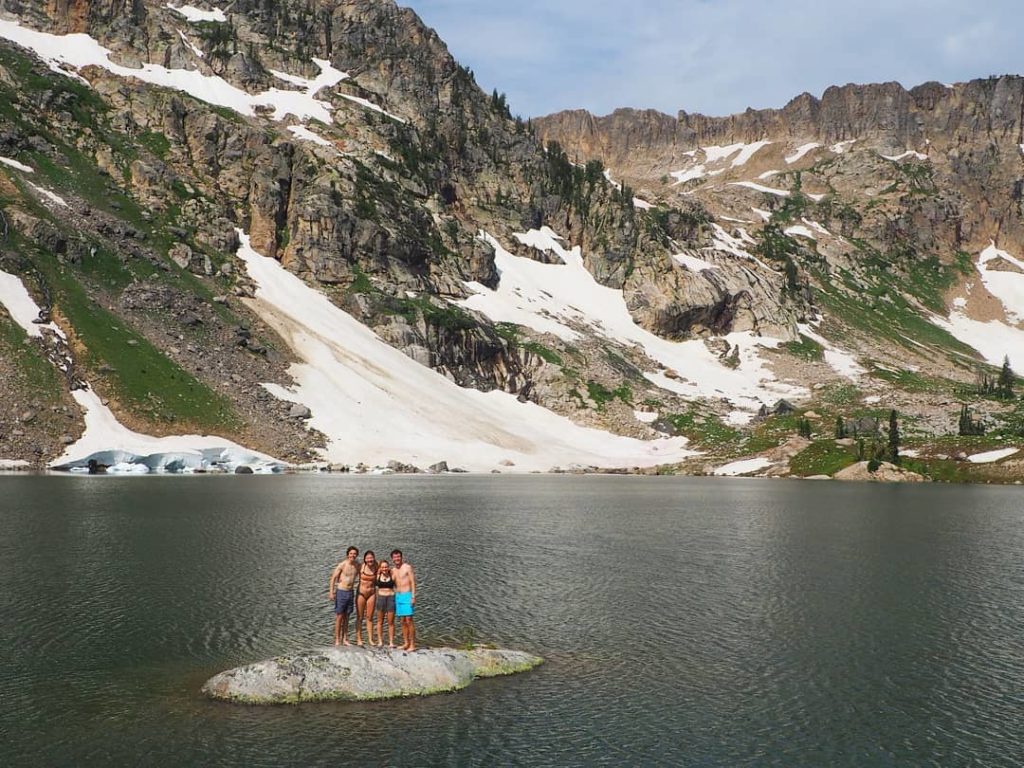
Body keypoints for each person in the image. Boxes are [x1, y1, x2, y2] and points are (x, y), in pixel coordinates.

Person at [329, 546, 359, 646]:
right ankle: (337, 639)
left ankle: (345, 638)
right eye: (351, 553)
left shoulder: (357, 565)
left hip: (350, 592)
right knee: (339, 616)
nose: (353, 555)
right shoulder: (342, 565)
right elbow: (333, 578)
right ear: (347, 554)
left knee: (347, 616)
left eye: (354, 554)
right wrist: (331, 592)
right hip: (341, 591)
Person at [391, 549, 416, 651]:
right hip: (398, 596)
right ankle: (406, 643)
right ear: (392, 559)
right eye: (395, 557)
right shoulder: (393, 570)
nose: (397, 559)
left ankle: (413, 644)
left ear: (401, 557)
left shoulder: (407, 567)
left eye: (398, 557)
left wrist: (413, 596)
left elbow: (413, 582)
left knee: (409, 620)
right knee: (402, 621)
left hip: (407, 595)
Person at [355, 550, 378, 647]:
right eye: (368, 558)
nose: (370, 560)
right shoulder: (360, 567)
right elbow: (351, 573)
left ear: (374, 558)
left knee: (369, 618)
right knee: (359, 617)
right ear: (364, 559)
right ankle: (359, 639)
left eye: (371, 557)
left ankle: (370, 639)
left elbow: (386, 571)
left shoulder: (377, 566)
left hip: (372, 594)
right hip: (361, 593)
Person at [373, 560, 397, 648]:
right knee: (380, 621)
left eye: (386, 567)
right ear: (380, 568)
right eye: (382, 567)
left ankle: (391, 642)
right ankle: (380, 641)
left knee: (391, 622)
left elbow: (398, 586)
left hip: (391, 598)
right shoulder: (378, 576)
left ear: (388, 567)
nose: (384, 569)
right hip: (381, 598)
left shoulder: (392, 575)